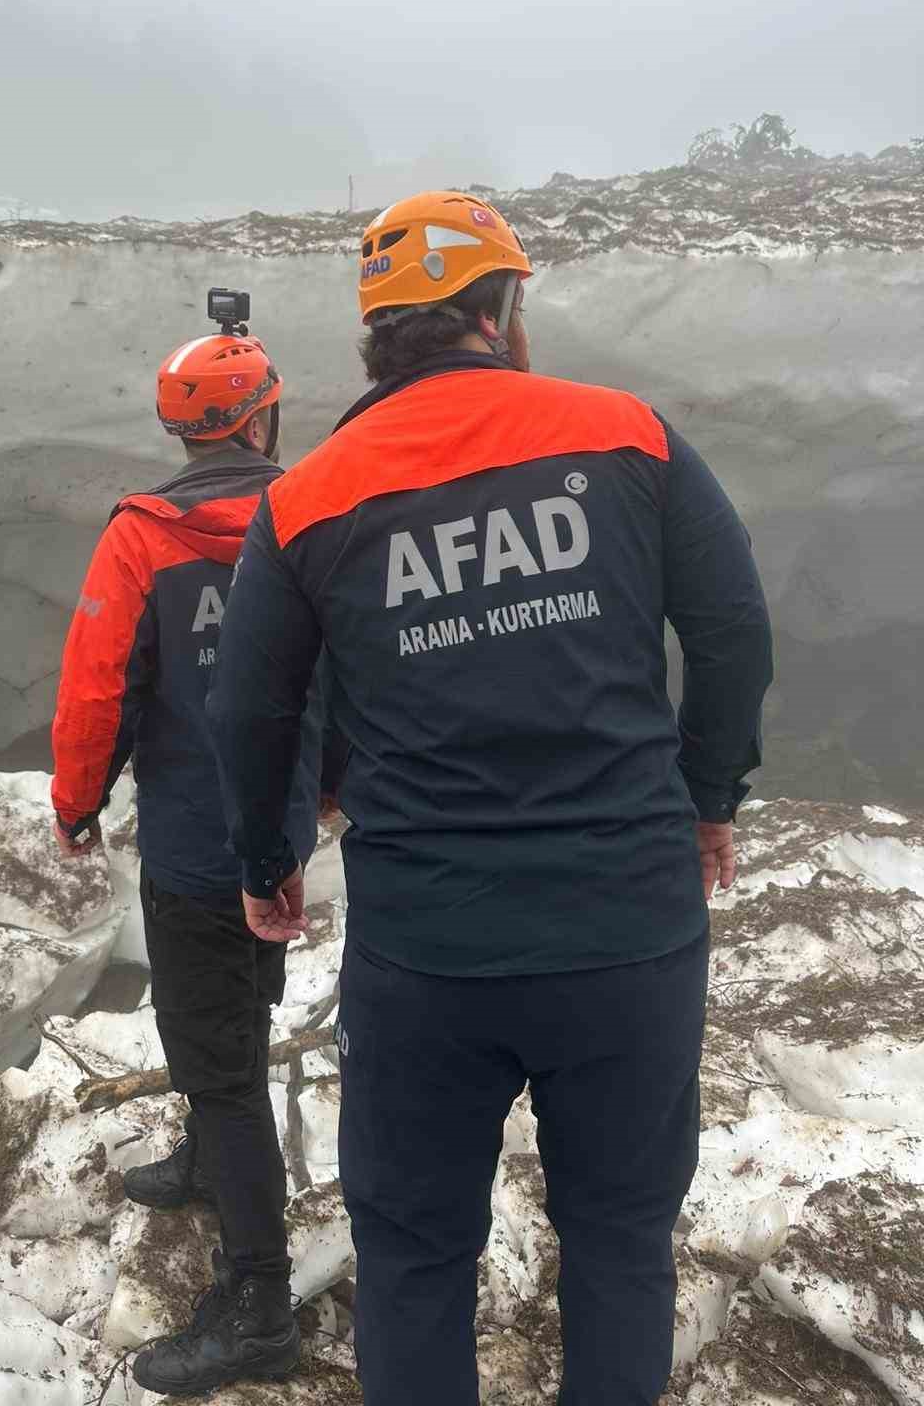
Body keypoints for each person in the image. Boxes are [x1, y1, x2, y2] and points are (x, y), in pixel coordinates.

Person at [206, 190, 774, 1406]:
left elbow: (250, 711)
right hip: (628, 930)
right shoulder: (627, 435)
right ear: (499, 306)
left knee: (415, 1255)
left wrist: (265, 860)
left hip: (429, 954)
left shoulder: (308, 497)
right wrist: (707, 797)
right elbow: (732, 631)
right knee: (620, 1240)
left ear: (378, 334)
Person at [50, 325, 321, 1396]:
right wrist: (330, 788)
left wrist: (78, 801)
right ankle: (210, 1159)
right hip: (281, 834)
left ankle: (259, 1303)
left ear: (184, 430)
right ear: (261, 417)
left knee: (216, 1057)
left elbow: (98, 685)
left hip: (195, 844)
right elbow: (353, 663)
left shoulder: (144, 539)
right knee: (236, 1013)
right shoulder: (313, 514)